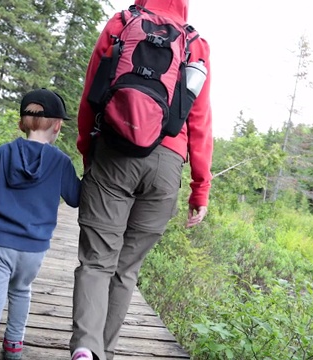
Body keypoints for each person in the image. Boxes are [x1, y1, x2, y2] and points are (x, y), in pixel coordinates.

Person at [69, 0, 213, 359]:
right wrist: (201, 188)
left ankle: (86, 349)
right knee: (126, 269)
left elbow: (92, 93)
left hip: (114, 151)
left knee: (97, 261)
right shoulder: (195, 44)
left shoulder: (122, 22)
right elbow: (200, 121)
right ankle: (105, 353)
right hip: (166, 163)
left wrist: (89, 150)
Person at [0, 88, 81, 360]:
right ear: (57, 126)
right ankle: (13, 346)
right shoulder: (61, 162)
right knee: (21, 291)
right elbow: (76, 198)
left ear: (21, 123)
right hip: (34, 249)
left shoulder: (4, 152)